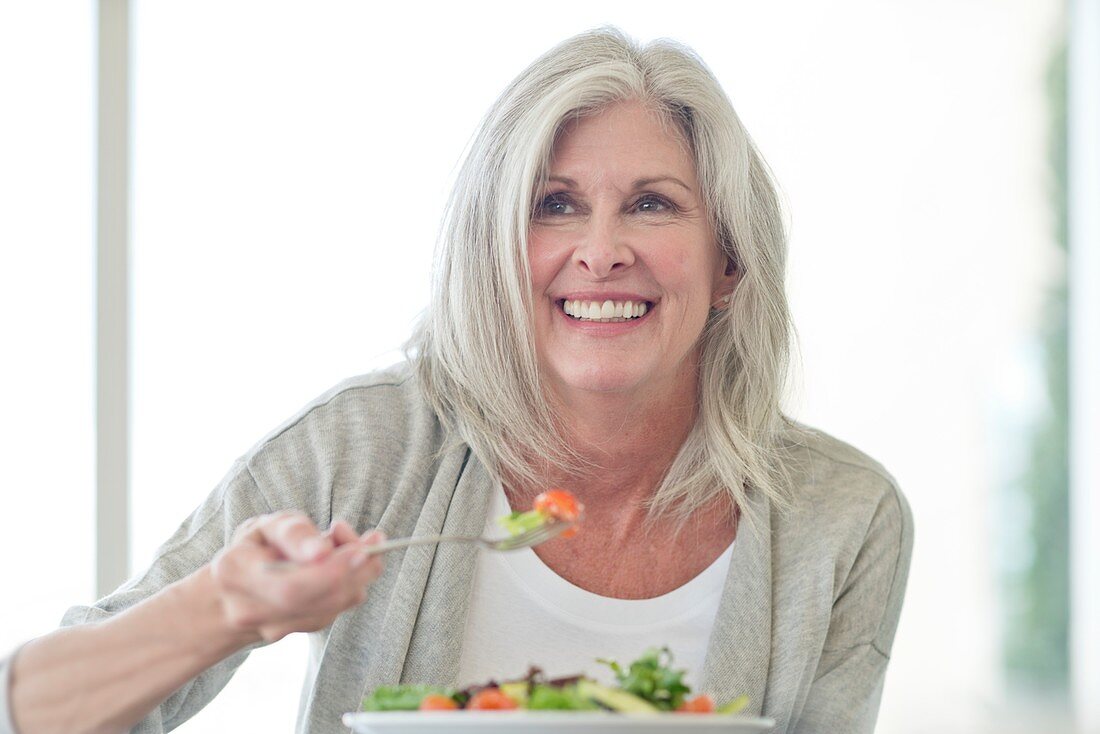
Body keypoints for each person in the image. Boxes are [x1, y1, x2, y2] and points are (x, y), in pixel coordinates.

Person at [1, 27, 913, 734]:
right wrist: (227, 606)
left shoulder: (841, 516)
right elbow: (33, 711)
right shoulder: (366, 449)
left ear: (730, 264)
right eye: (553, 206)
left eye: (652, 203)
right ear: (491, 254)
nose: (601, 252)